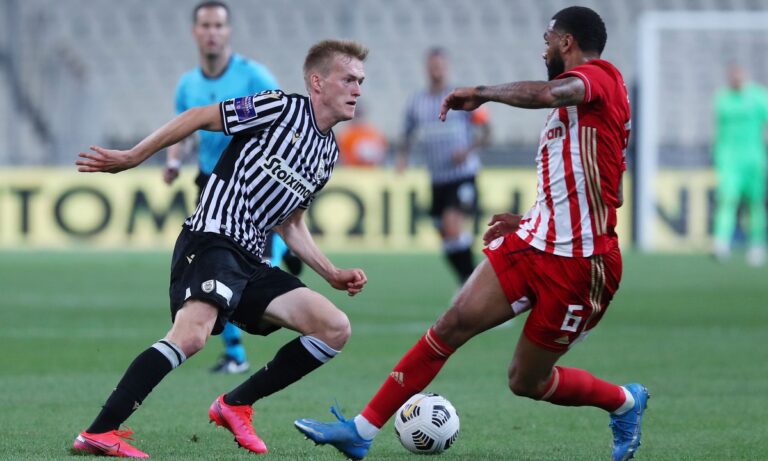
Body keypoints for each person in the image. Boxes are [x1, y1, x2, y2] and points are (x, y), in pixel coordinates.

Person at [295, 7, 648, 461]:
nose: (543, 51)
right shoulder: (580, 106)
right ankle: (361, 431)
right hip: (536, 243)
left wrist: (481, 93)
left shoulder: (600, 77)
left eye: (547, 41)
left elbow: (548, 93)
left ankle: (625, 402)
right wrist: (531, 219)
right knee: (450, 324)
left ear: (567, 42)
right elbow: (580, 176)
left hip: (581, 264)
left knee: (526, 380)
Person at [72, 39, 369, 458]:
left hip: (251, 259)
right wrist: (135, 155)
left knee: (334, 327)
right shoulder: (278, 108)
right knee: (191, 336)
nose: (357, 89)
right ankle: (99, 431)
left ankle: (235, 404)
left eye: (360, 82)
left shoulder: (327, 153)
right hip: (212, 238)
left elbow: (290, 222)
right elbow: (198, 116)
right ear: (318, 82)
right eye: (349, 79)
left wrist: (331, 272)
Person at [163, 1, 303, 374]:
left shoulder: (254, 76)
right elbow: (183, 128)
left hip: (253, 187)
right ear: (195, 32)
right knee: (212, 269)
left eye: (218, 25)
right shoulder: (188, 84)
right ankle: (236, 354)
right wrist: (173, 161)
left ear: (228, 31)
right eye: (205, 25)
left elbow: (285, 120)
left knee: (251, 269)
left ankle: (284, 256)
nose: (212, 32)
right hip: (211, 185)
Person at [396, 47, 491, 284]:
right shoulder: (416, 102)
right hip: (436, 178)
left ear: (447, 67)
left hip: (462, 175)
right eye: (432, 65)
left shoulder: (461, 96)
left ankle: (473, 284)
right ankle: (468, 281)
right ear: (426, 68)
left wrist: (467, 150)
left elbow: (486, 132)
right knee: (445, 235)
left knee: (452, 227)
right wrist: (403, 156)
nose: (436, 70)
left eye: (439, 65)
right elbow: (407, 132)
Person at [712, 63, 768, 266]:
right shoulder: (723, 99)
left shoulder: (758, 97)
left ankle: (757, 245)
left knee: (755, 203)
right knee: (727, 200)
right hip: (729, 161)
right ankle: (721, 242)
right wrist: (717, 155)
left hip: (753, 160)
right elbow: (718, 130)